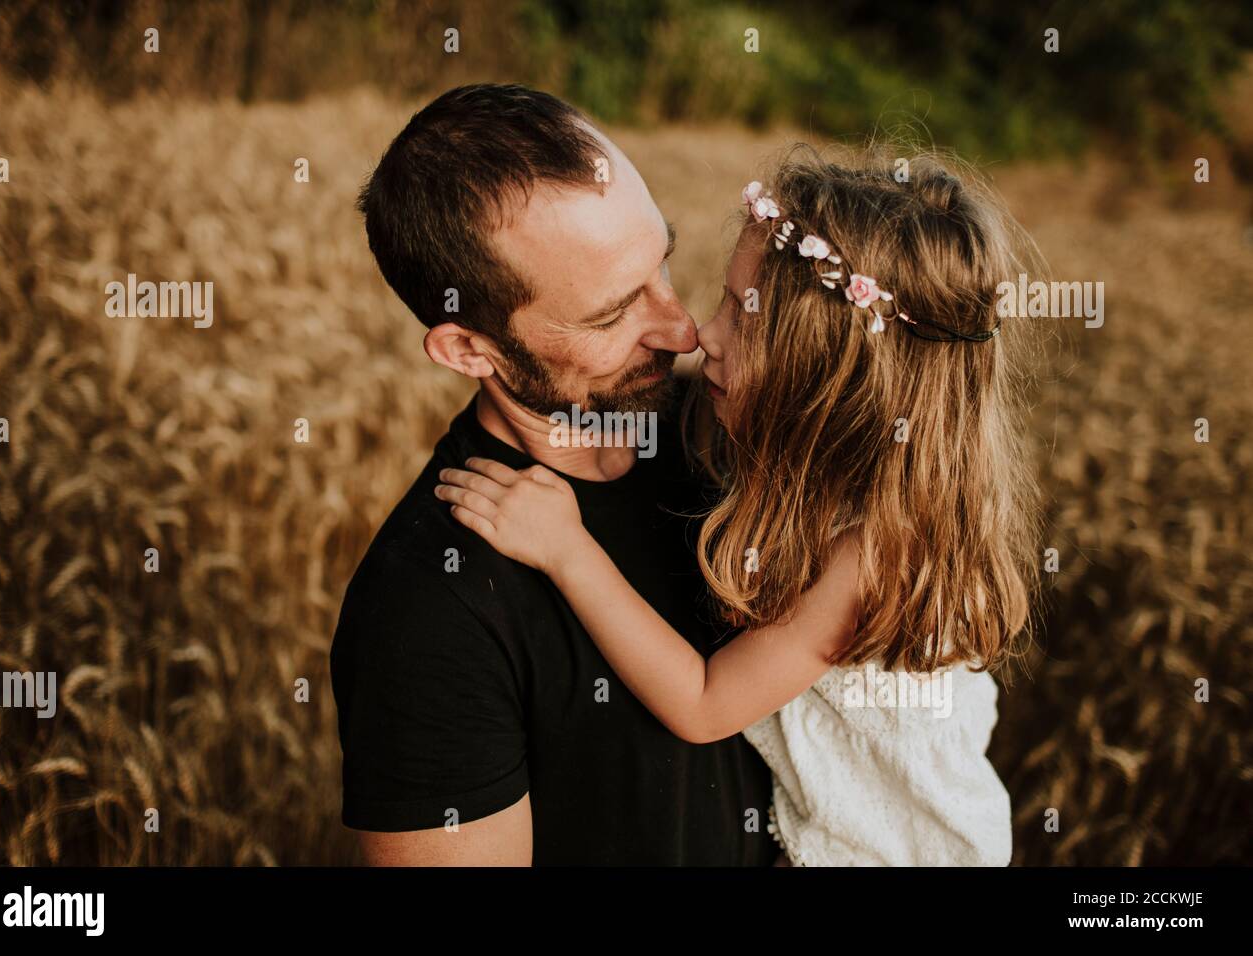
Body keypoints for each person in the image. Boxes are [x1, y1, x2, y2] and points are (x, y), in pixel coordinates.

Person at [437, 147, 1044, 866]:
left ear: (826, 380)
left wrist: (568, 551)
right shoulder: (835, 471)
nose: (703, 336)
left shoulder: (872, 555)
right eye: (725, 301)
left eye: (743, 320)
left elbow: (702, 705)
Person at [330, 83, 780, 865]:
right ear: (471, 351)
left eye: (662, 265)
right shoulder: (429, 607)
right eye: (611, 316)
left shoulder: (732, 433)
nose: (681, 330)